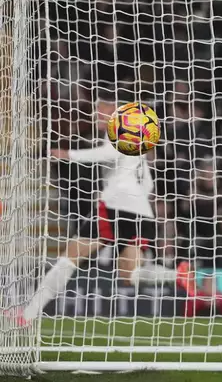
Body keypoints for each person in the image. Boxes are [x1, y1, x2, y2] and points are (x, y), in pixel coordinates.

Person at [20, 93, 195, 324]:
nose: (95, 115)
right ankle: (176, 275)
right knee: (129, 276)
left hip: (116, 206)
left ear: (115, 109)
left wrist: (67, 154)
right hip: (141, 211)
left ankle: (28, 314)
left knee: (70, 257)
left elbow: (109, 153)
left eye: (100, 109)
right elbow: (149, 184)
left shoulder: (122, 129)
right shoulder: (138, 139)